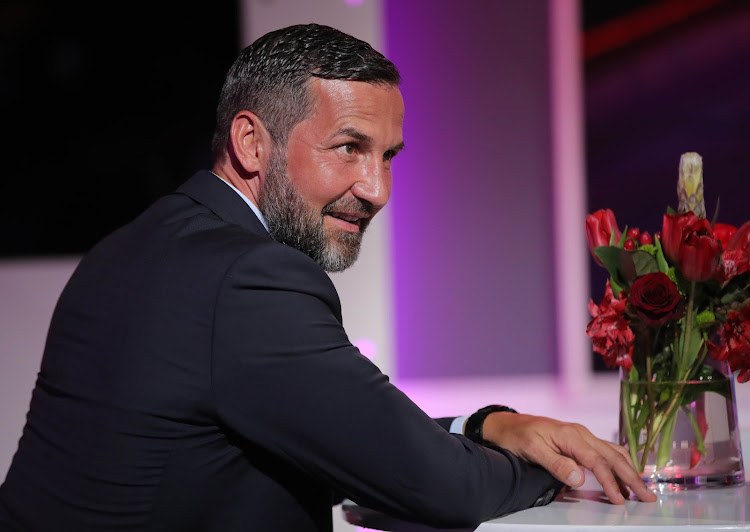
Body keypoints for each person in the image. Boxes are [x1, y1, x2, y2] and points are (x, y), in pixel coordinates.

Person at [0, 23, 655, 532]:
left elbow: (330, 431)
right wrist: (549, 468)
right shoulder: (250, 277)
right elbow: (439, 490)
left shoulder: (134, 247)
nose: (375, 190)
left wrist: (483, 427)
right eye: (349, 148)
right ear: (253, 144)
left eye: (388, 156)